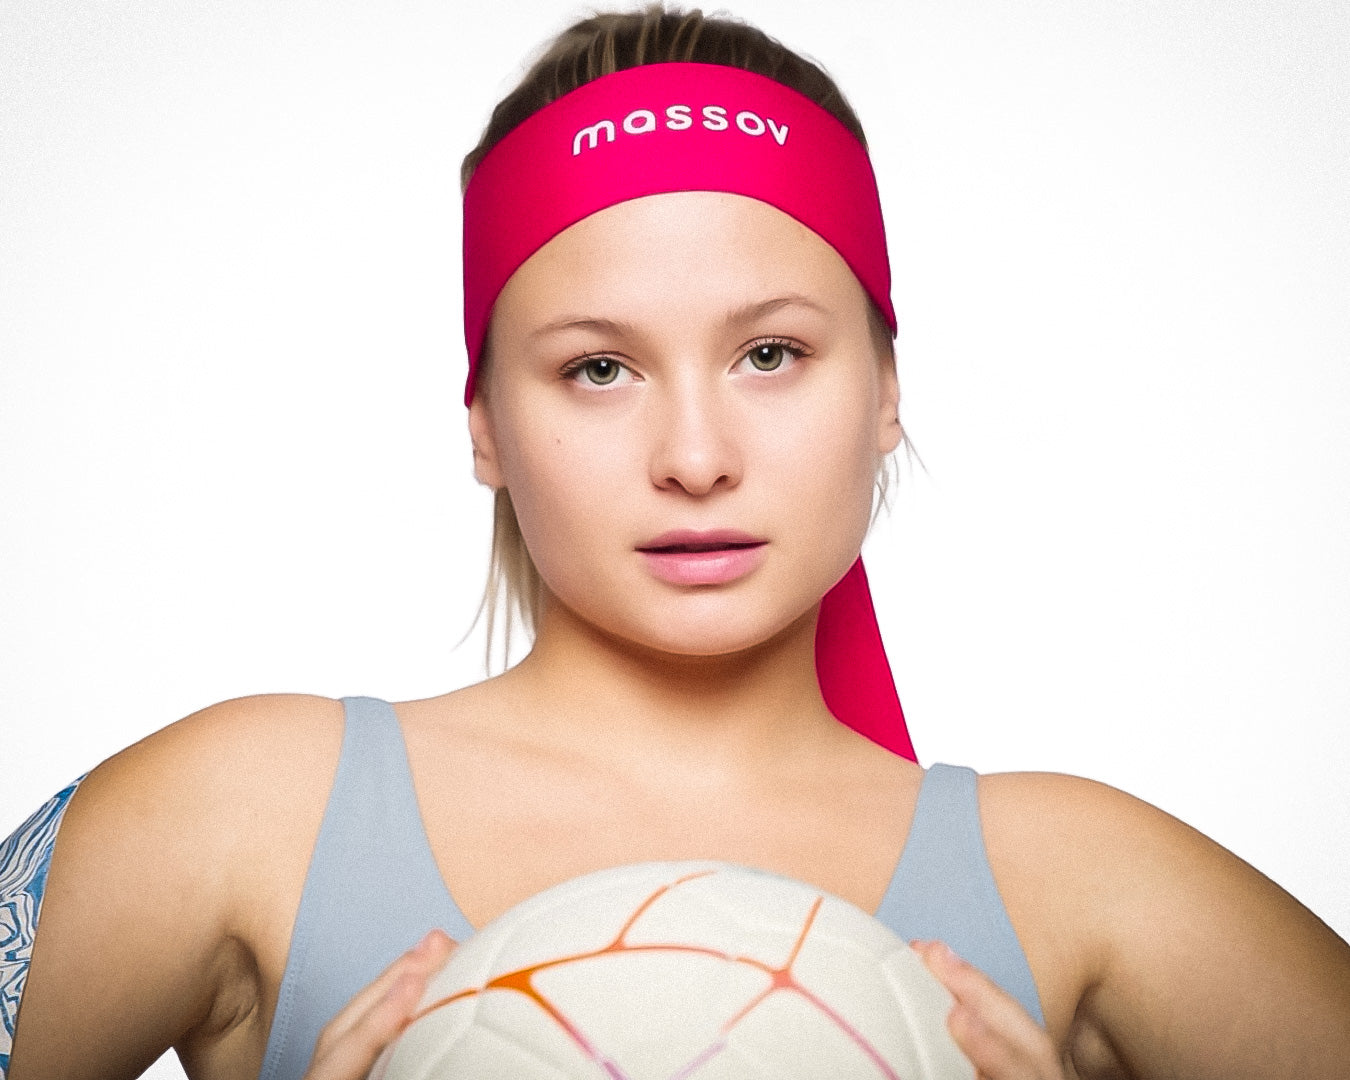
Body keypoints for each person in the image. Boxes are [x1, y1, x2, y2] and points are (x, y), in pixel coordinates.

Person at [4, 5, 1349, 1079]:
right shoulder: (246, 816)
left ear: (884, 393)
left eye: (770, 353)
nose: (694, 455)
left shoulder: (1080, 881)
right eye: (598, 369)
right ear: (482, 424)